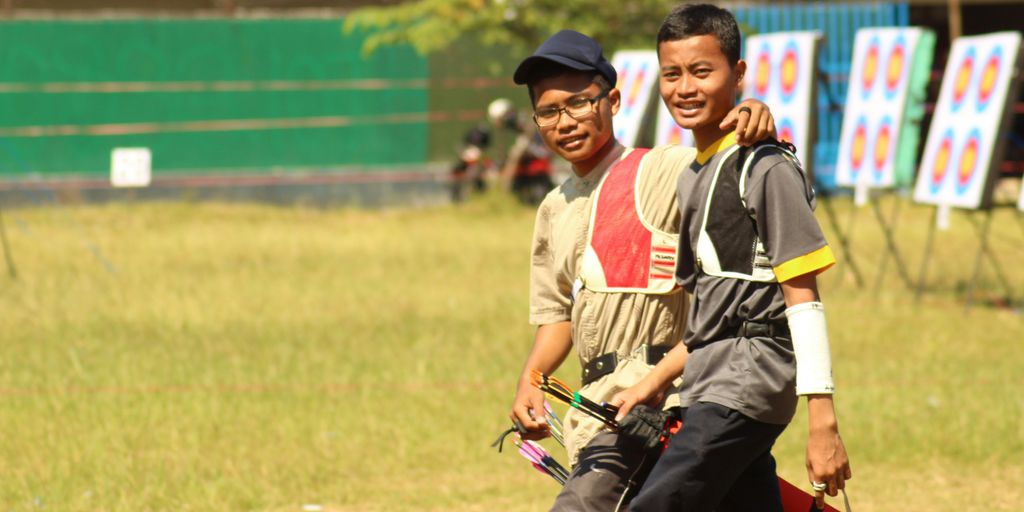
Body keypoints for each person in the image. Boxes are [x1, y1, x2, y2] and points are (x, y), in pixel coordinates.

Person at [507, 29, 777, 511]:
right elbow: (556, 315)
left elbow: (724, 162)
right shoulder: (553, 208)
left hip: (665, 400)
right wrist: (532, 378)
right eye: (549, 111)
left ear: (612, 100)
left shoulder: (661, 168)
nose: (565, 121)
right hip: (599, 404)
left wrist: (750, 113)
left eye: (579, 104)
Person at [610, 5, 852, 511]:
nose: (684, 88)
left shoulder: (766, 167)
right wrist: (652, 383)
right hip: (707, 382)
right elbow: (709, 320)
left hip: (746, 383)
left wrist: (822, 421)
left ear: (738, 74)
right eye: (671, 74)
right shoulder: (693, 174)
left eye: (702, 71)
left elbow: (802, 296)